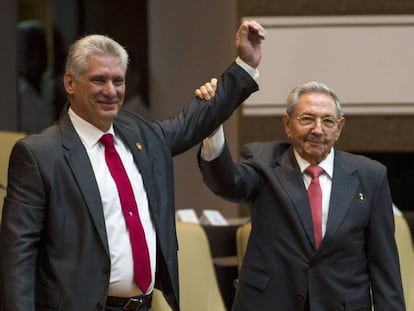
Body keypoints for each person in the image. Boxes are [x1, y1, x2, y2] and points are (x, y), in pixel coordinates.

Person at [0, 20, 265, 311]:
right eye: (99, 80)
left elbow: (193, 121)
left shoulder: (139, 134)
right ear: (70, 83)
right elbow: (18, 256)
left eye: (119, 80)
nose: (111, 91)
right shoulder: (40, 154)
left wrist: (245, 64)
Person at [197, 81, 406, 310]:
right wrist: (213, 127)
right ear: (287, 124)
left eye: (327, 121)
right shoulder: (263, 163)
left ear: (339, 127)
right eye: (307, 119)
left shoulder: (370, 176)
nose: (317, 129)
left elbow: (384, 265)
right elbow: (228, 182)